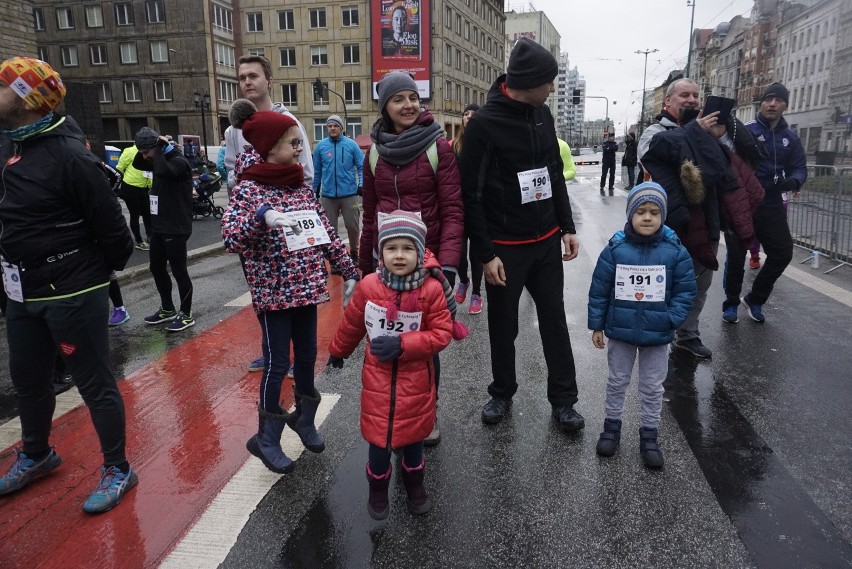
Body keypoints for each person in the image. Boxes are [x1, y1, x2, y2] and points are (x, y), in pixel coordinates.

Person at [0, 57, 137, 513]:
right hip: (22, 291)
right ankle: (38, 455)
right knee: (28, 380)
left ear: (28, 99)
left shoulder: (71, 155)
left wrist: (90, 276)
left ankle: (118, 468)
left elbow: (116, 233)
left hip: (74, 291)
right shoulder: (8, 146)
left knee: (94, 383)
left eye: (3, 86)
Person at [222, 100, 359, 474]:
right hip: (274, 294)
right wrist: (261, 219)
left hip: (307, 289)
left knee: (305, 359)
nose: (300, 148)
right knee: (277, 362)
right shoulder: (248, 190)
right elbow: (231, 238)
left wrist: (349, 270)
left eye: (300, 142)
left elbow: (325, 234)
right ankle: (265, 437)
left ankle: (304, 417)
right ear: (268, 147)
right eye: (292, 142)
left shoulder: (299, 186)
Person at [459, 38, 584, 430]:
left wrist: (566, 226)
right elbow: (470, 195)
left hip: (545, 241)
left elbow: (552, 173)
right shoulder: (483, 124)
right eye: (548, 82)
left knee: (554, 322)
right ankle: (501, 392)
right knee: (503, 326)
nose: (552, 88)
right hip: (505, 250)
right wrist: (485, 253)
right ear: (529, 81)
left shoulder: (542, 114)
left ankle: (564, 401)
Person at [328, 211, 459, 519]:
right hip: (378, 384)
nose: (399, 255)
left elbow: (442, 333)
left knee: (414, 441)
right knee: (378, 443)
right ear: (381, 252)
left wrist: (403, 345)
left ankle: (415, 486)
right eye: (391, 248)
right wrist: (339, 351)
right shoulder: (370, 286)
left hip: (416, 385)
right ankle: (377, 489)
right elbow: (352, 324)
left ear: (420, 252)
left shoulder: (431, 290)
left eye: (407, 248)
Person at [360, 71, 464, 446]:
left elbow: (453, 210)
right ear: (385, 106)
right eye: (398, 99)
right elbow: (369, 213)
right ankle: (391, 414)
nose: (408, 105)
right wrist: (363, 267)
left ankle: (426, 414)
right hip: (384, 263)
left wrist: (449, 264)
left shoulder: (439, 148)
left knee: (423, 343)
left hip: (427, 263)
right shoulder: (373, 153)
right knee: (387, 336)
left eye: (413, 98)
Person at [588, 183, 696, 469]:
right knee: (616, 382)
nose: (647, 218)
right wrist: (596, 325)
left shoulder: (675, 252)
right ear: (630, 214)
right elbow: (599, 290)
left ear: (663, 216)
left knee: (652, 387)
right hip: (620, 332)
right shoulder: (616, 249)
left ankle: (649, 435)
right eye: (640, 211)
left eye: (654, 212)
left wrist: (671, 319)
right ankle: (611, 427)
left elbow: (686, 291)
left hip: (657, 335)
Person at [224, 55, 314, 373]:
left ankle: (294, 356)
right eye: (242, 77)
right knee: (262, 293)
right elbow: (233, 175)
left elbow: (307, 174)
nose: (247, 82)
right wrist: (249, 209)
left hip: (287, 225)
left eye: (254, 76)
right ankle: (272, 352)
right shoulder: (235, 130)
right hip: (255, 223)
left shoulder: (289, 122)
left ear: (269, 81)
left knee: (294, 294)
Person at [638, 78, 738, 359]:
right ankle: (656, 334)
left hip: (706, 220)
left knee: (698, 283)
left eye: (696, 95)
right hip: (665, 223)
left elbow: (724, 168)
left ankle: (688, 335)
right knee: (662, 282)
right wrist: (695, 132)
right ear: (668, 102)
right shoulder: (655, 132)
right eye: (684, 95)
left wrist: (719, 135)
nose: (692, 100)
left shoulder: (707, 132)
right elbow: (651, 156)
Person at [723, 83, 806, 323]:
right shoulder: (744, 131)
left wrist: (795, 180)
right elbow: (728, 160)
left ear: (785, 105)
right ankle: (730, 303)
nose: (772, 103)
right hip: (742, 204)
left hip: (771, 205)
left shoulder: (790, 138)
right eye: (768, 99)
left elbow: (800, 167)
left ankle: (755, 298)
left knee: (782, 253)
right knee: (737, 257)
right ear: (761, 103)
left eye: (778, 100)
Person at [136, 127, 196, 332]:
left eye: (147, 152)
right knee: (156, 267)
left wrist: (161, 148)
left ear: (158, 149)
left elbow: (163, 171)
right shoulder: (156, 159)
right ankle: (167, 308)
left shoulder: (179, 162)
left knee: (179, 270)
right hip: (160, 225)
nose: (145, 157)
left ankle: (186, 313)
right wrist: (150, 147)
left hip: (176, 225)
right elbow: (137, 164)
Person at [313, 115, 364, 262]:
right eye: (329, 126)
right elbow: (317, 171)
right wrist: (314, 190)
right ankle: (335, 258)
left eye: (335, 126)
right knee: (330, 231)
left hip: (350, 195)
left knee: (353, 227)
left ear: (341, 128)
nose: (332, 128)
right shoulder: (321, 147)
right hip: (328, 196)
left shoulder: (351, 145)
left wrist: (361, 185)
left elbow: (361, 167)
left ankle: (354, 252)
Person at [452, 103, 485, 315]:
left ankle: (476, 294)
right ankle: (463, 280)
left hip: (481, 207)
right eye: (465, 114)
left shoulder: (487, 144)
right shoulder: (454, 145)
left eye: (473, 114)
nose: (469, 117)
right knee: (459, 253)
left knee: (477, 254)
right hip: (458, 206)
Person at [116, 144, 153, 250]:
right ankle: (139, 240)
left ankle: (150, 237)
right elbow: (120, 168)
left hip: (144, 188)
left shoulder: (149, 150)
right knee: (135, 214)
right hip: (130, 187)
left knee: (147, 213)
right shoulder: (129, 151)